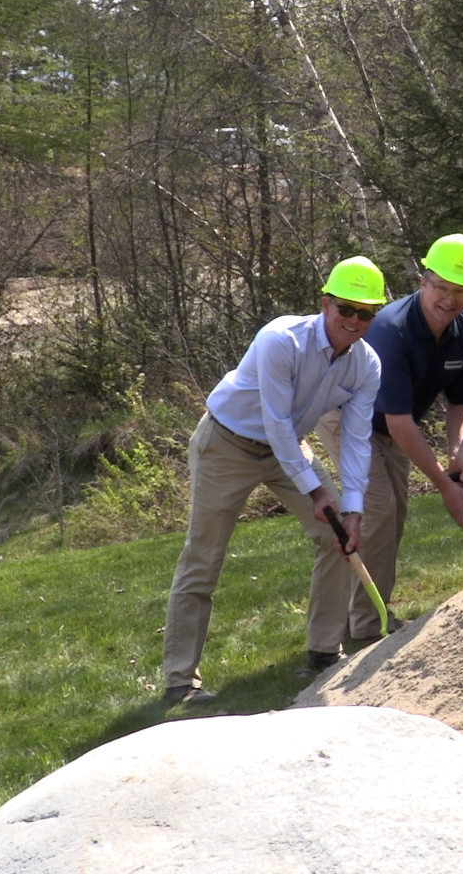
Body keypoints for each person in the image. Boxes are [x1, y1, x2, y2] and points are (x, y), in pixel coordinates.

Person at [160, 257, 387, 703]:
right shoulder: (280, 340)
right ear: (325, 304)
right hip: (226, 445)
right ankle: (179, 681)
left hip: (289, 450)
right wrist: (318, 491)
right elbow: (277, 422)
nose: (355, 321)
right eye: (346, 309)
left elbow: (358, 440)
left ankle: (324, 653)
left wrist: (352, 508)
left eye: (366, 313)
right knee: (204, 557)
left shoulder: (366, 364)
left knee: (337, 533)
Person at [318, 233, 463, 641]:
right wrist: (445, 486)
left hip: (390, 425)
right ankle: (363, 629)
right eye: (441, 287)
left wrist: (458, 452)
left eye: (460, 291)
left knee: (395, 519)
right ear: (423, 282)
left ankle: (375, 610)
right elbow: (399, 422)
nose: (449, 299)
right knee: (377, 511)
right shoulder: (393, 330)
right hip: (347, 419)